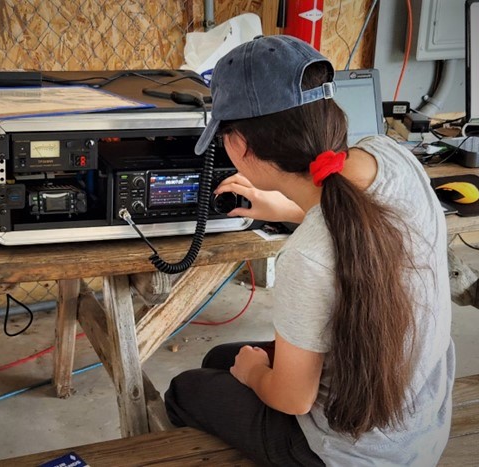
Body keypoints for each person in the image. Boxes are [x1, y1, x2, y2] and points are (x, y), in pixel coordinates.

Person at [164, 35, 454, 467]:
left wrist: (255, 374)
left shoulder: (306, 256)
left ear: (239, 145)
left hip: (347, 455)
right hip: (421, 425)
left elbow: (293, 399)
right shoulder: (388, 154)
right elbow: (360, 219)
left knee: (187, 388)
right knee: (220, 358)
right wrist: (285, 206)